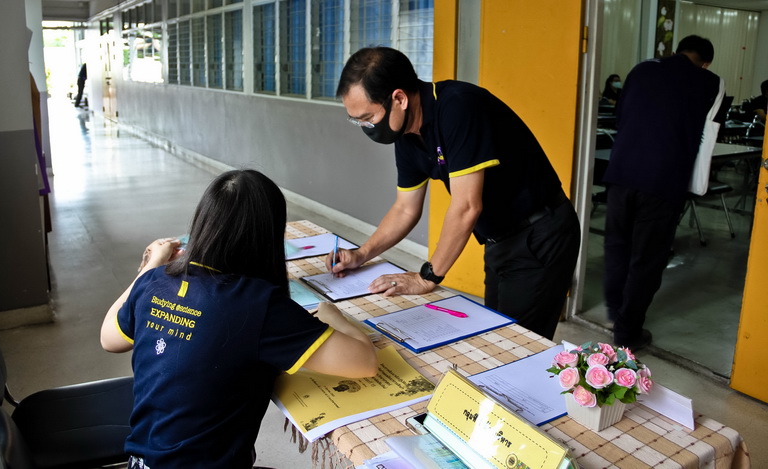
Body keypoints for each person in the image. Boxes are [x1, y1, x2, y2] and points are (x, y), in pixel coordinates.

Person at [100, 169, 378, 468]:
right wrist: (334, 315)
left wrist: (152, 264)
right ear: (269, 234)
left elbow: (109, 339)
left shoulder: (153, 282)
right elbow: (365, 363)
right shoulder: (256, 303)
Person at [330, 47, 581, 340]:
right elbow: (405, 208)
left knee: (520, 344)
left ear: (399, 99)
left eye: (367, 117)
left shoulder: (459, 107)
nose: (366, 127)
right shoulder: (407, 133)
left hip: (540, 234)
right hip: (499, 240)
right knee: (497, 335)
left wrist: (427, 277)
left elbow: (466, 207)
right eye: (357, 120)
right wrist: (361, 254)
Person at [603, 35, 723, 351]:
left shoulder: (641, 69)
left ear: (677, 50)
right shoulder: (709, 81)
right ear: (706, 62)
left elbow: (621, 116)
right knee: (647, 257)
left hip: (621, 173)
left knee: (617, 246)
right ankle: (627, 331)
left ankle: (614, 312)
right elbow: (709, 131)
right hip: (663, 181)